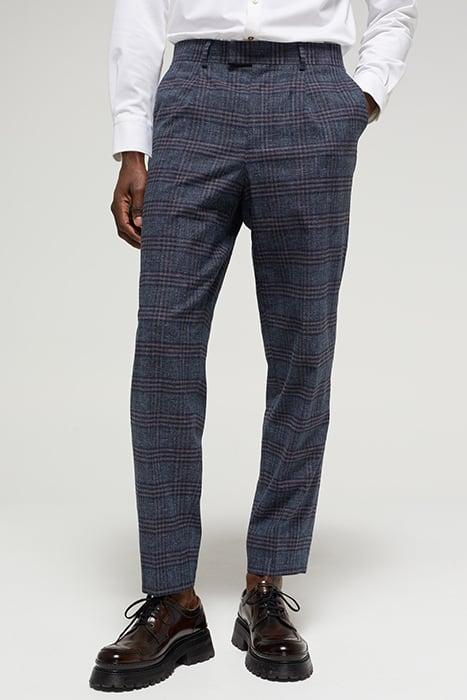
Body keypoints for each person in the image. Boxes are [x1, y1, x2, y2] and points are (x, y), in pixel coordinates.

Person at [89, 0, 417, 690]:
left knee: (302, 351)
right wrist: (131, 140)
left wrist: (360, 98)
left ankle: (266, 584)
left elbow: (395, 7)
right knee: (164, 354)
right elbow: (141, 8)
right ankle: (172, 598)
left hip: (310, 91)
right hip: (194, 91)